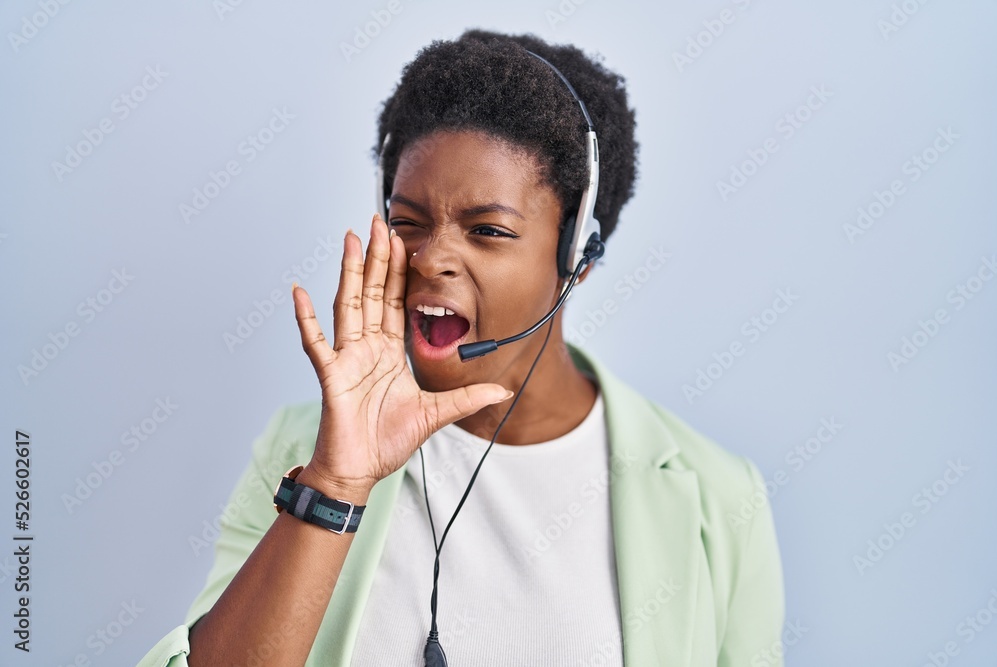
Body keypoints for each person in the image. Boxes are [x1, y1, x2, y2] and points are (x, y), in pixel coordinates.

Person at [138, 29, 784, 667]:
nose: (431, 258)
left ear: (576, 256)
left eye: (487, 230)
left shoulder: (716, 494)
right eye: (406, 223)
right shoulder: (302, 452)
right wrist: (337, 483)